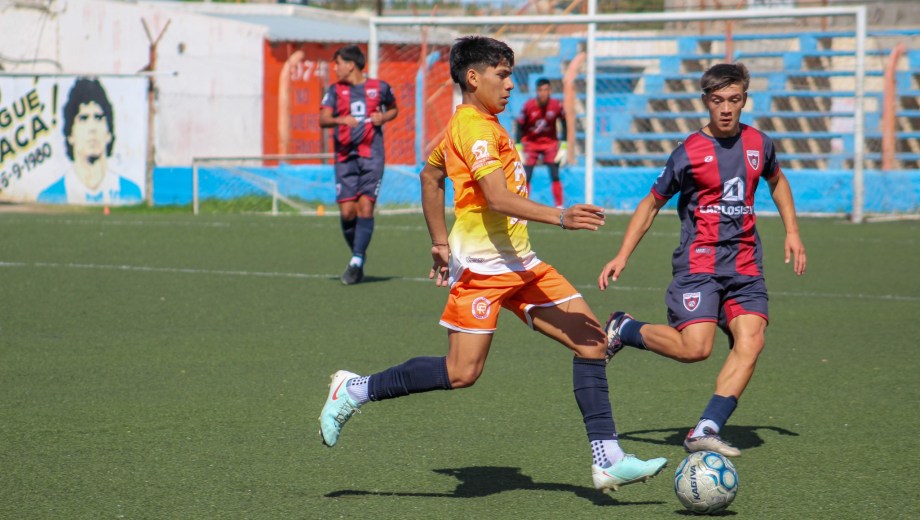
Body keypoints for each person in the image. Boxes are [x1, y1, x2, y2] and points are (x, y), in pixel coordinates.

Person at [319, 36, 667, 494]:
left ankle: (608, 459)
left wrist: (439, 243)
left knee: (592, 343)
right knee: (462, 373)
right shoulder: (475, 129)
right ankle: (354, 389)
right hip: (483, 270)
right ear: (473, 77)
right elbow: (498, 197)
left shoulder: (476, 125)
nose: (509, 86)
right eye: (502, 75)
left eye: (510, 75)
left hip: (523, 265)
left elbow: (430, 175)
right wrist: (560, 215)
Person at [597, 63, 807, 457]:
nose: (726, 109)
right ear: (705, 102)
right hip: (700, 265)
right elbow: (651, 203)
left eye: (734, 100)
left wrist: (792, 231)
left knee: (752, 339)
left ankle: (706, 427)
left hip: (745, 265)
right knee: (695, 349)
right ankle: (625, 328)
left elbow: (777, 181)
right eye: (717, 101)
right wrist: (622, 254)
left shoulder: (759, 144)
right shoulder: (688, 152)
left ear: (744, 99)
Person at [319, 45, 399, 285]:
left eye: (338, 63)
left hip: (372, 156)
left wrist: (382, 117)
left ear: (350, 65)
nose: (335, 68)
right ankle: (358, 256)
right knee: (347, 212)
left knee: (365, 208)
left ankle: (356, 260)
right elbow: (322, 119)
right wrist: (340, 119)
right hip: (344, 157)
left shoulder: (380, 87)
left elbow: (394, 109)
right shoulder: (334, 91)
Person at [38, 77, 142, 205]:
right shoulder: (50, 196)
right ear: (70, 135)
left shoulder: (131, 194)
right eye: (83, 119)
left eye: (98, 118)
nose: (92, 128)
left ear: (109, 133)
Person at [515, 78, 567, 208]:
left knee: (555, 174)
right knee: (526, 175)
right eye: (540, 90)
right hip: (531, 144)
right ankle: (523, 206)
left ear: (550, 91)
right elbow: (520, 125)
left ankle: (559, 206)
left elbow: (564, 123)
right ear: (537, 91)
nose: (543, 93)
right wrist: (518, 147)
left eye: (546, 90)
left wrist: (564, 146)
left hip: (550, 143)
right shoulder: (528, 106)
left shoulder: (556, 106)